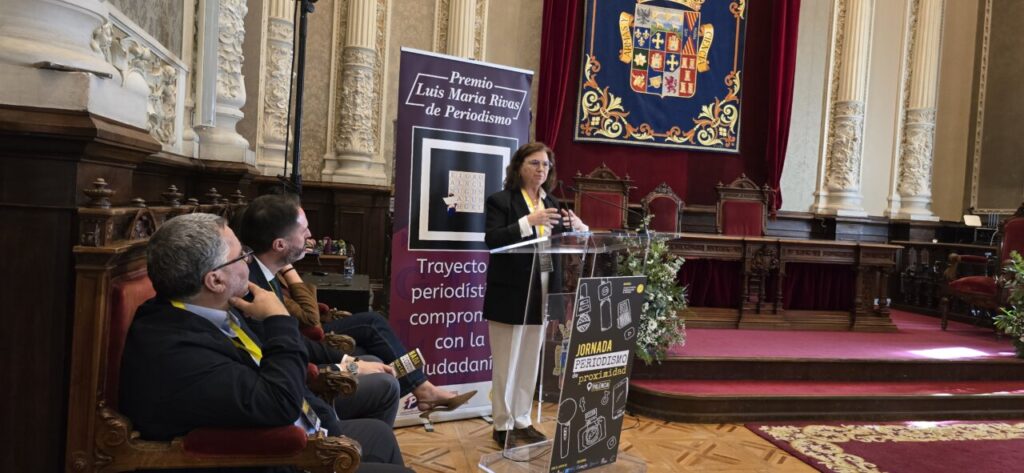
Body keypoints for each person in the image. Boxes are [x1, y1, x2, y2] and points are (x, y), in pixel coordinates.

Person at [119, 213, 411, 472]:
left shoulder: (215, 306)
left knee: (380, 437)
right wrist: (278, 318)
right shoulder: (175, 351)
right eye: (240, 256)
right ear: (215, 280)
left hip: (295, 427)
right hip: (265, 455)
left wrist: (327, 425)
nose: (249, 260)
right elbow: (278, 403)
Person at [238, 193, 475, 421]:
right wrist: (350, 365)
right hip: (296, 381)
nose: (310, 235)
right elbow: (303, 332)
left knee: (374, 339)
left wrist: (350, 362)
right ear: (279, 244)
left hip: (302, 356)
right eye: (303, 231)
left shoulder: (263, 271)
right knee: (381, 364)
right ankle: (421, 391)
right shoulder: (253, 287)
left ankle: (422, 389)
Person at [482, 142, 588, 447]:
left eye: (545, 165)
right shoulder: (501, 201)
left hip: (543, 290)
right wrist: (527, 222)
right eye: (534, 163)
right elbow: (493, 240)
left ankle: (522, 420)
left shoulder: (553, 202)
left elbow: (567, 239)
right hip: (511, 292)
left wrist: (579, 228)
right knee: (506, 361)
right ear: (519, 167)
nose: (541, 170)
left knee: (530, 359)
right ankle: (502, 424)